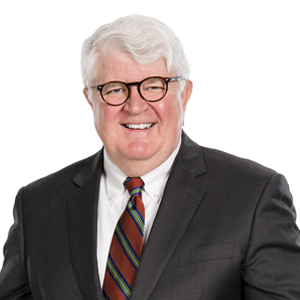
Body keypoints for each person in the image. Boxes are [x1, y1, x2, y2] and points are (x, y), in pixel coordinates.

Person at [0, 15, 300, 300]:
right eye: (115, 89)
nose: (135, 105)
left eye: (154, 86)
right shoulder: (36, 206)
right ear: (90, 99)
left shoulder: (253, 195)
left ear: (184, 96)